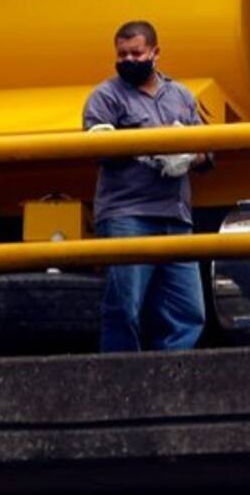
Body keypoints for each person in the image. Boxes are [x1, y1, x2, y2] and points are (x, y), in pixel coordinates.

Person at [82, 20, 210, 352]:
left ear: (155, 52)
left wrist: (187, 156)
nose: (128, 60)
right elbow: (98, 148)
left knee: (188, 312)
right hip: (128, 215)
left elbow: (207, 148)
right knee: (125, 307)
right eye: (122, 54)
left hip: (176, 217)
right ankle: (123, 383)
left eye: (136, 53)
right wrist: (152, 148)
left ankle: (172, 381)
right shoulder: (105, 98)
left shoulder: (181, 95)